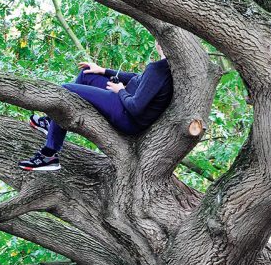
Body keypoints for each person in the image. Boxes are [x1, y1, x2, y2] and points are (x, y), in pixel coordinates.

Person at [19, 41, 173, 171]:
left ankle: (49, 155)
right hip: (125, 102)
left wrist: (120, 91)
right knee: (87, 73)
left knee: (65, 90)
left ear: (158, 43)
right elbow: (137, 78)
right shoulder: (166, 67)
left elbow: (135, 107)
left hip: (126, 114)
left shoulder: (158, 70)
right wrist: (103, 70)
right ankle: (50, 121)